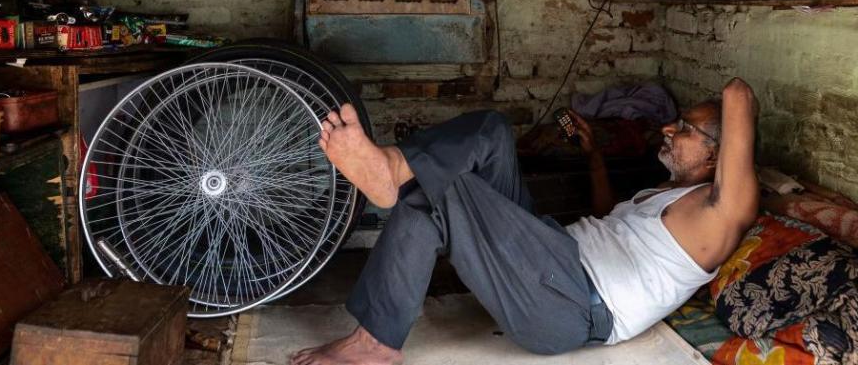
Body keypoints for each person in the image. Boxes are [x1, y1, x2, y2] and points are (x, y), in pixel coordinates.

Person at [290, 78, 759, 365]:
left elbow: (739, 95)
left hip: (568, 305)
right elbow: (606, 219)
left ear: (719, 153)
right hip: (555, 256)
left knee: (445, 182)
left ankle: (375, 335)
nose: (668, 130)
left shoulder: (720, 214)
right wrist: (593, 155)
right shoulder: (667, 195)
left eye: (684, 128)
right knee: (492, 131)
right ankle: (392, 170)